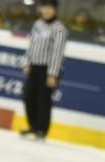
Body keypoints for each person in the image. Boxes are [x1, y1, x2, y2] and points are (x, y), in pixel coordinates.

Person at [21, 0, 68, 140]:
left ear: (55, 10)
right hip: (34, 66)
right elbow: (32, 45)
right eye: (45, 7)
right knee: (29, 96)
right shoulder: (38, 24)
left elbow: (57, 52)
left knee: (43, 100)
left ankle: (41, 129)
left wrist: (53, 74)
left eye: (50, 8)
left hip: (47, 70)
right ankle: (33, 126)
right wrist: (28, 62)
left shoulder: (59, 28)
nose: (47, 10)